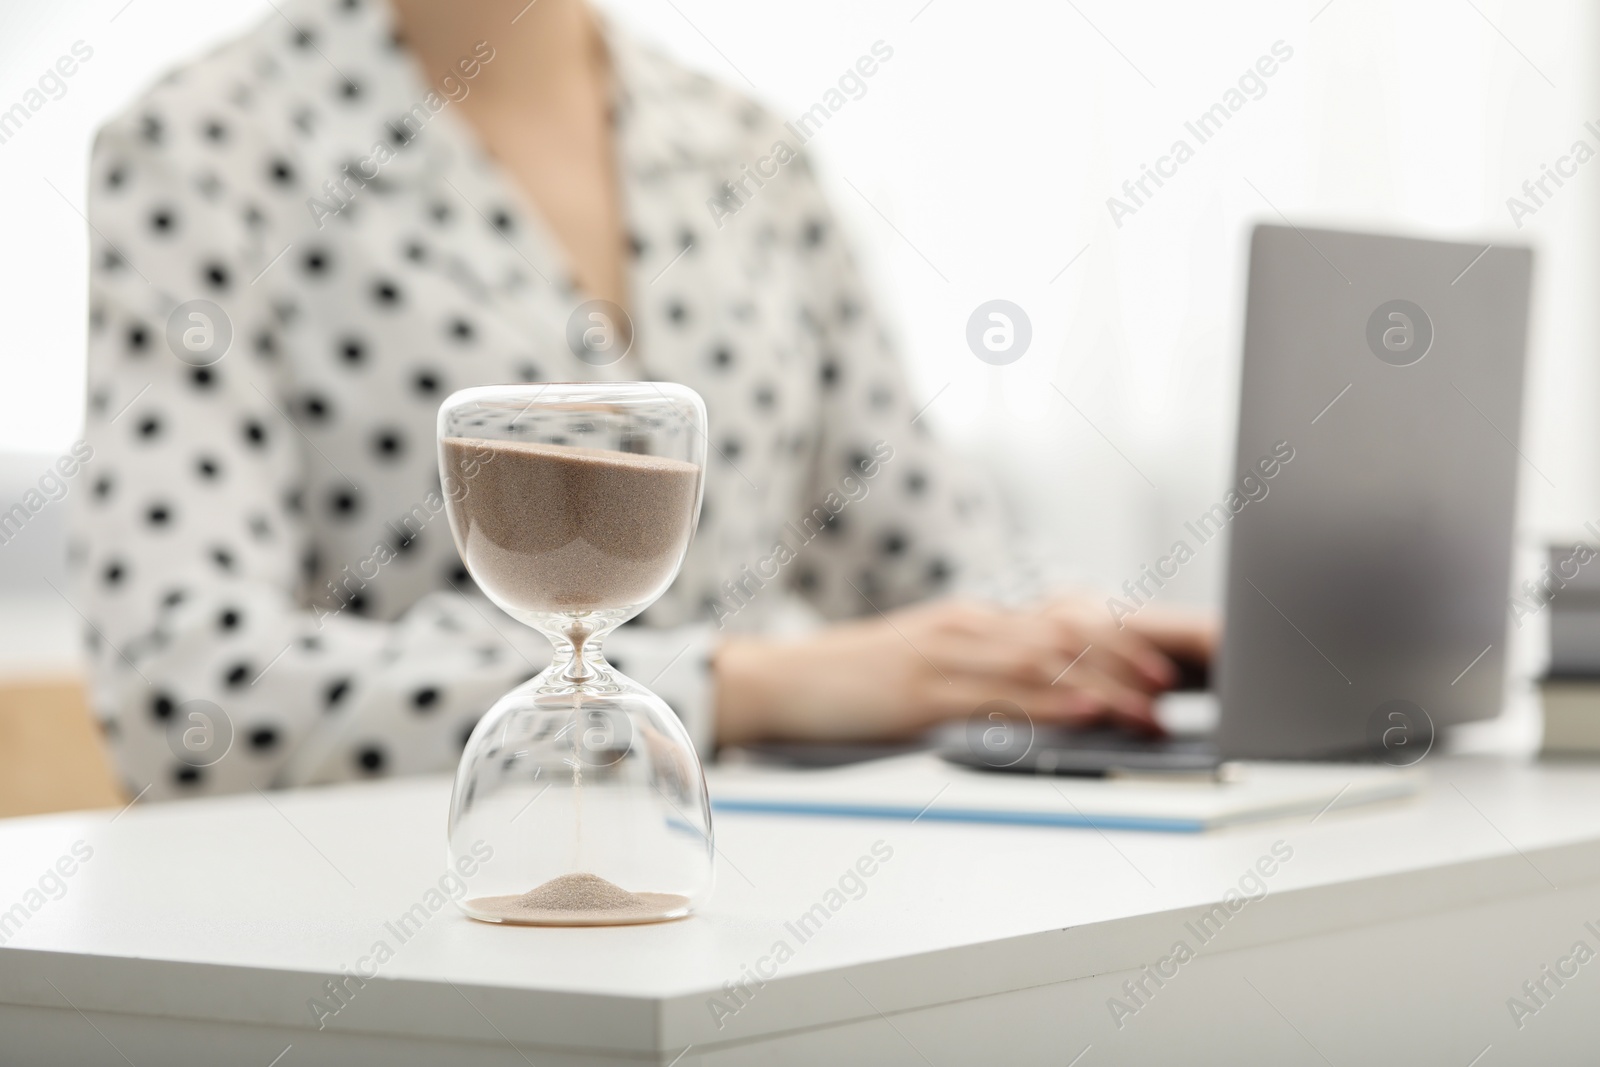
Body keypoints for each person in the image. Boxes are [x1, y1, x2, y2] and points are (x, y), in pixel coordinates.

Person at [73, 0, 1213, 799]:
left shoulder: (745, 151)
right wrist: (748, 683)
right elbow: (183, 690)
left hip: (774, 880)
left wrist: (1123, 642)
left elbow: (937, 567)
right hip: (406, 902)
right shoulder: (201, 149)